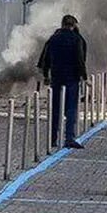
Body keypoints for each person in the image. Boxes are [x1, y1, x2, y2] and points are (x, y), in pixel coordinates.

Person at [37, 14, 87, 148]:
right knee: (71, 109)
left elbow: (45, 59)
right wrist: (84, 77)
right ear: (73, 25)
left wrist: (46, 76)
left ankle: (53, 138)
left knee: (55, 109)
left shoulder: (53, 39)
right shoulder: (77, 39)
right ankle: (69, 138)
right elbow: (80, 59)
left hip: (56, 77)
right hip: (72, 78)